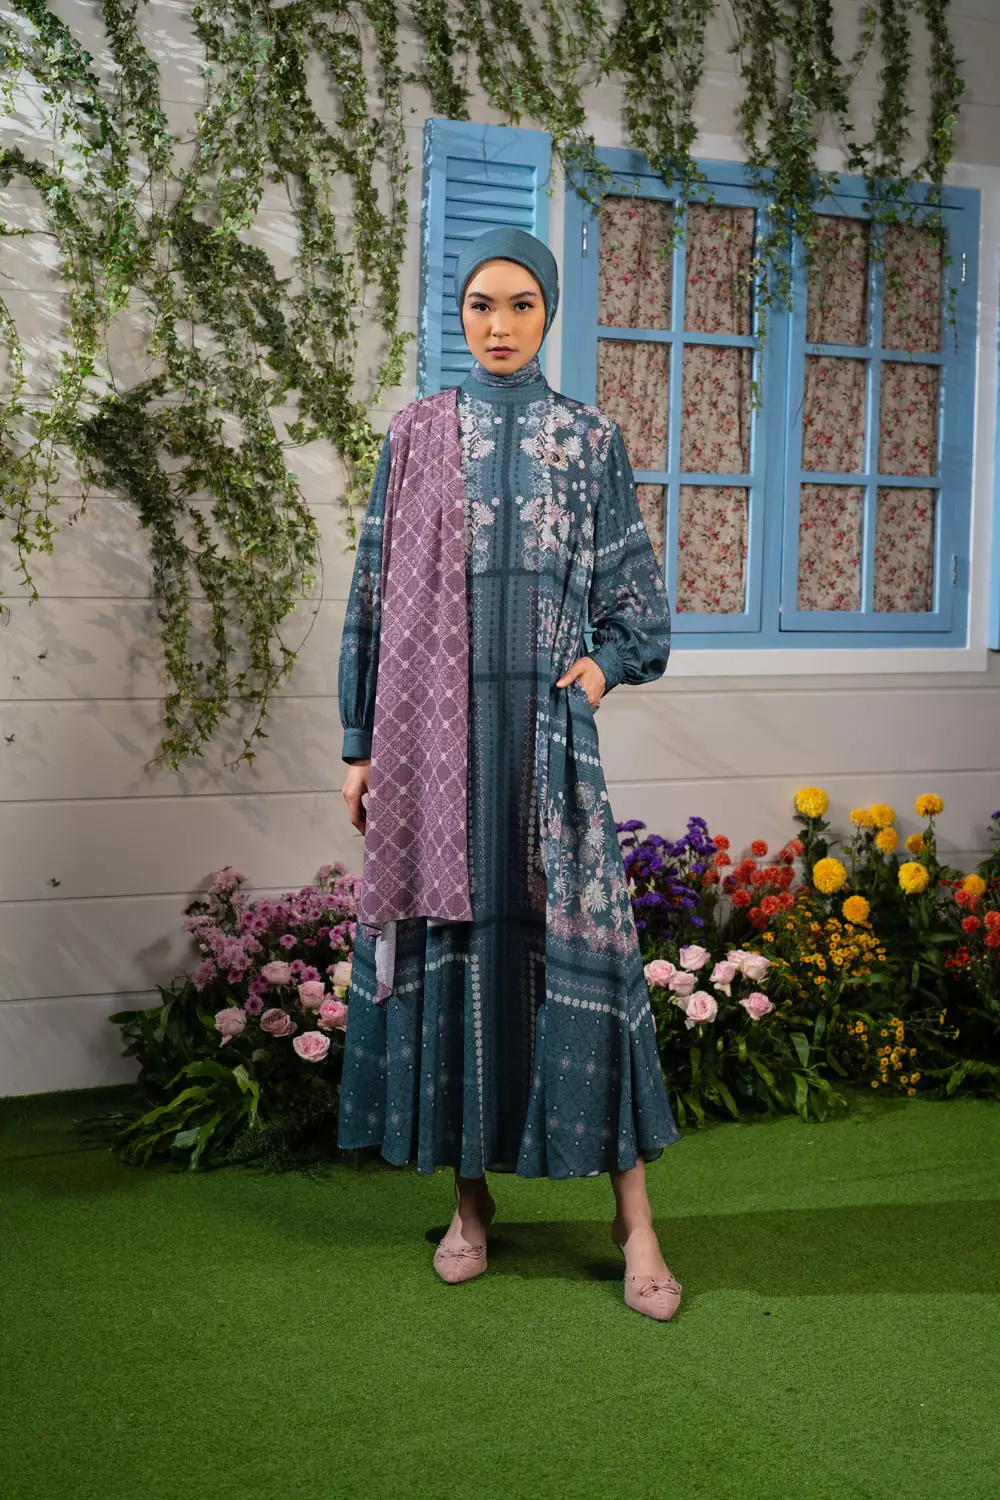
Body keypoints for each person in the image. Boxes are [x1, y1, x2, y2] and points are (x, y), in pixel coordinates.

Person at [337, 226, 682, 1321]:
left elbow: (639, 604)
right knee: (460, 957)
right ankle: (469, 1203)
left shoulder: (590, 438)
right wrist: (360, 743)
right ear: (459, 313)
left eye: (520, 305)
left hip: (544, 741)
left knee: (589, 961)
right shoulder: (415, 433)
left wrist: (600, 671)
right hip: (433, 748)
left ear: (547, 315)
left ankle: (636, 1225)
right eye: (481, 304)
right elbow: (373, 588)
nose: (499, 324)